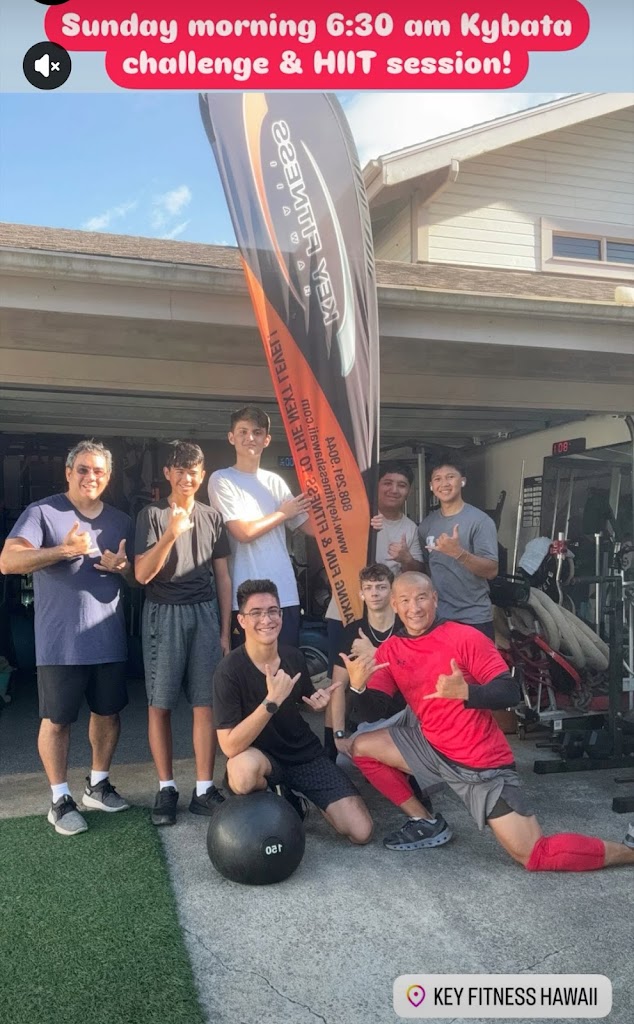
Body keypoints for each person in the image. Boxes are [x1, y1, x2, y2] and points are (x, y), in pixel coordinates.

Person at [343, 572, 634, 871]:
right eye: (405, 600)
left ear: (435, 599)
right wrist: (357, 687)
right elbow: (372, 713)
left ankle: (629, 851)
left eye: (421, 598)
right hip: (431, 747)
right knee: (361, 747)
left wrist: (467, 692)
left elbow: (509, 691)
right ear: (394, 604)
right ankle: (425, 821)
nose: (414, 608)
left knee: (535, 855)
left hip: (479, 764)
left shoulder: (464, 637)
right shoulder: (392, 649)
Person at [0, 440, 134, 836]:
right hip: (60, 642)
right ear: (69, 472)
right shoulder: (42, 512)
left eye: (99, 471)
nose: (91, 477)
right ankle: (59, 800)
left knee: (108, 714)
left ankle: (98, 785)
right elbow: (8, 561)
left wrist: (124, 568)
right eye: (83, 469)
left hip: (108, 637)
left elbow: (137, 576)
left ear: (108, 477)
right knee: (56, 721)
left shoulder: (121, 521)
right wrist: (62, 550)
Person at [213, 579, 373, 844]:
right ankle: (282, 795)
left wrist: (318, 702)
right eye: (256, 613)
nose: (266, 619)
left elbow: (302, 702)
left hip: (303, 755)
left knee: (361, 832)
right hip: (261, 758)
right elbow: (229, 746)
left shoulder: (293, 657)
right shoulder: (228, 671)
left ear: (281, 615)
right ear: (241, 620)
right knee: (242, 774)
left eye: (272, 611)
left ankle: (308, 797)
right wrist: (270, 702)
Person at [135, 441, 232, 826]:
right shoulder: (151, 514)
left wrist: (225, 630)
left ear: (202, 475)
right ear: (167, 473)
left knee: (205, 704)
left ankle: (204, 789)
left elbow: (223, 576)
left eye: (193, 471)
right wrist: (172, 533)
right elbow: (142, 574)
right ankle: (166, 787)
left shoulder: (213, 517)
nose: (186, 477)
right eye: (179, 470)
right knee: (159, 704)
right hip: (164, 613)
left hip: (205, 613)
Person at [208, 405, 313, 649]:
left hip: (284, 594)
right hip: (246, 598)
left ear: (266, 439)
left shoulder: (275, 481)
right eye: (243, 432)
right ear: (231, 437)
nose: (250, 438)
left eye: (257, 432)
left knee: (285, 665)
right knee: (249, 669)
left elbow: (309, 528)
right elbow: (242, 532)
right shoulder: (222, 479)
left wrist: (350, 512)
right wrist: (281, 514)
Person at [324, 460, 424, 707]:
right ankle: (336, 729)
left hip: (384, 616)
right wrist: (361, 526)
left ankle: (373, 724)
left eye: (401, 485)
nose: (394, 490)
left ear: (409, 491)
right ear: (376, 486)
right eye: (387, 483)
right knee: (339, 680)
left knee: (380, 674)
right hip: (345, 608)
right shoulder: (355, 514)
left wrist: (405, 558)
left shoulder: (410, 528)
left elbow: (418, 573)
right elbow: (332, 548)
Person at [328, 563, 405, 758]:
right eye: (368, 588)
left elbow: (416, 671)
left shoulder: (406, 626)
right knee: (344, 761)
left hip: (407, 714)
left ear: (392, 592)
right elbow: (338, 687)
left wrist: (374, 653)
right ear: (361, 594)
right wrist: (338, 735)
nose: (374, 593)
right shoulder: (352, 632)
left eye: (381, 587)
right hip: (368, 718)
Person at [418, 453, 498, 640]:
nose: (444, 483)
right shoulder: (426, 525)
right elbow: (427, 569)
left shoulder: (480, 521)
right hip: (437, 618)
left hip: (474, 618)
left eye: (450, 477)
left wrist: (459, 553)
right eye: (437, 479)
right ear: (431, 486)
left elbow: (491, 570)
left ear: (462, 481)